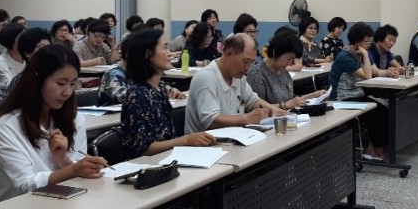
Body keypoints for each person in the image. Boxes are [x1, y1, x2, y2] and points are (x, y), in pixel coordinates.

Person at [0, 44, 107, 203]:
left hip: (64, 202)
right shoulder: (5, 125)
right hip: (18, 208)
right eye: (61, 83)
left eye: (72, 83)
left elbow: (77, 170)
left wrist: (64, 161)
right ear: (37, 80)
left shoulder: (73, 119)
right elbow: (25, 184)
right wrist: (73, 169)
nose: (67, 92)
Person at [120, 29, 215, 159]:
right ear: (147, 54)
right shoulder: (138, 95)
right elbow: (143, 150)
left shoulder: (159, 88)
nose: (170, 53)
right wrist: (186, 140)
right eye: (165, 48)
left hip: (167, 159)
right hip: (146, 165)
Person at [185, 33, 287, 133]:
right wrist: (247, 118)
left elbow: (252, 100)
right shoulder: (206, 78)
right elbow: (211, 120)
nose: (248, 68)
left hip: (234, 137)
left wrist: (272, 109)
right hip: (206, 142)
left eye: (251, 62)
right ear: (229, 54)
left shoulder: (238, 76)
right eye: (245, 61)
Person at [328, 22, 387, 159]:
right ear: (357, 41)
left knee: (383, 110)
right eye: (367, 41)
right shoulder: (345, 56)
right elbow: (368, 76)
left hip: (355, 94)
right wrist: (366, 54)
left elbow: (371, 71)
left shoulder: (357, 53)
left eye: (370, 41)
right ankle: (375, 150)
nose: (369, 44)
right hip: (341, 98)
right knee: (374, 113)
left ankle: (377, 147)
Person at [247, 31, 325, 109]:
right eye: (288, 59)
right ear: (275, 52)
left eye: (293, 60)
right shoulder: (257, 74)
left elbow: (291, 99)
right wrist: (285, 105)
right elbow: (257, 108)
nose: (290, 63)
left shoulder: (283, 71)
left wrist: (313, 96)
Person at [98, 39, 185, 106]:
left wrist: (171, 90)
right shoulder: (114, 72)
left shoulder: (140, 70)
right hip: (112, 117)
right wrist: (158, 94)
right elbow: (124, 97)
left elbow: (156, 85)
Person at [6, 27, 52, 92]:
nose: (48, 52)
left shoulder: (55, 75)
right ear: (27, 53)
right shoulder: (19, 81)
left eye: (49, 47)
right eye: (42, 48)